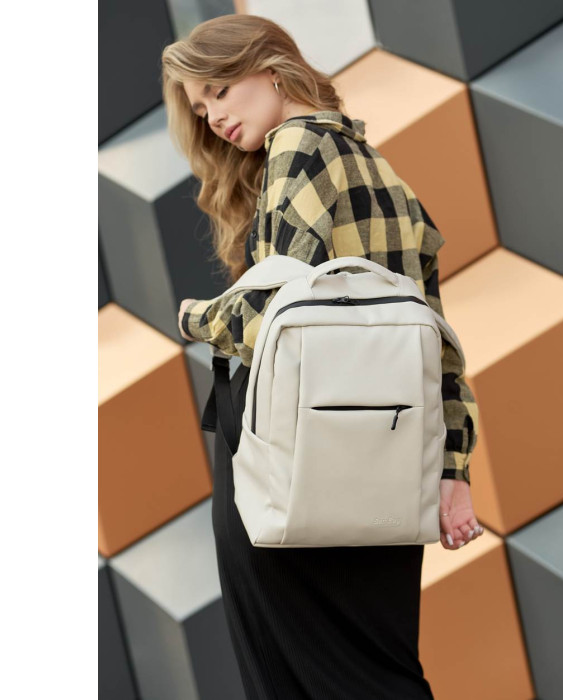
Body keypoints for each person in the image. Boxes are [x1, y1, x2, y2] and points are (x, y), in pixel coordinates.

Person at [162, 14, 483, 699]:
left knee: (296, 680)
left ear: (269, 67)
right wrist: (452, 467)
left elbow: (268, 316)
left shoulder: (298, 146)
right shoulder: (375, 162)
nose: (213, 117)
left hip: (296, 459)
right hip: (388, 459)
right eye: (200, 108)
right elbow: (434, 339)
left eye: (219, 90)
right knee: (378, 670)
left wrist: (193, 318)